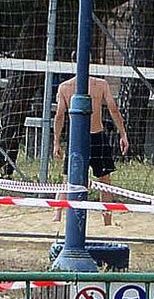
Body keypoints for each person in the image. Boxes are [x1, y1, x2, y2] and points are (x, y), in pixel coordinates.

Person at [52, 73, 131, 226]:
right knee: (104, 180)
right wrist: (123, 134)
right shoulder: (100, 84)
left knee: (68, 179)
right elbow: (113, 110)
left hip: (77, 138)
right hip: (95, 136)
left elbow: (59, 115)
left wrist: (56, 142)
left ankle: (57, 216)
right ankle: (107, 221)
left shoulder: (66, 87)